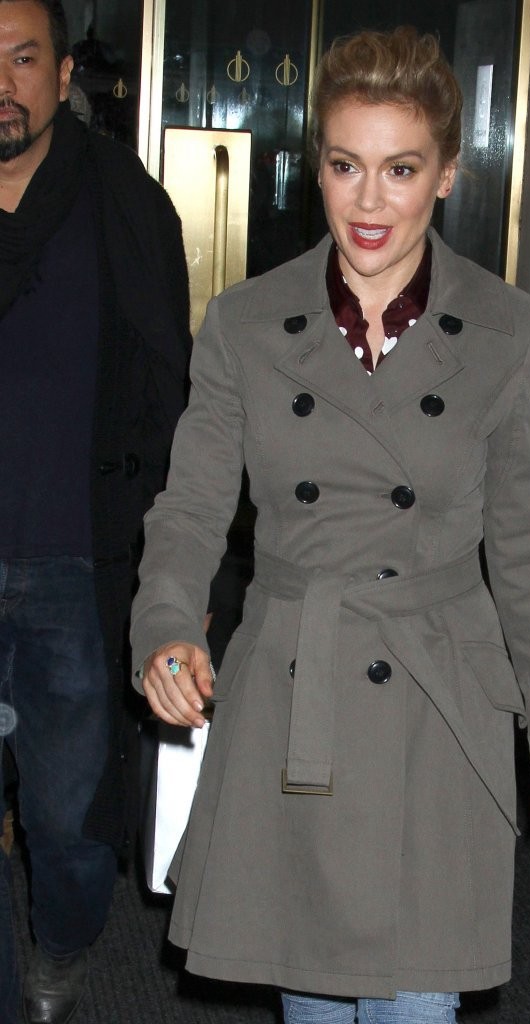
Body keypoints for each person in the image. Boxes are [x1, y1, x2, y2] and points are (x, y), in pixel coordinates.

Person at [131, 26, 530, 1024]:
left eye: (401, 170)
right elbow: (192, 505)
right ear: (318, 169)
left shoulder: (510, 331)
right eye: (346, 166)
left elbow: (528, 547)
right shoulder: (245, 324)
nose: (370, 202)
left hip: (440, 702)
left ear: (446, 176)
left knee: (418, 1000)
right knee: (311, 993)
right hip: (297, 691)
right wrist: (166, 624)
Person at [0, 2, 191, 1022]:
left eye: (23, 58)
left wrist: (177, 571)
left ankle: (64, 946)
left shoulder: (124, 204)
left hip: (75, 568)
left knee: (69, 819)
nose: (3, 84)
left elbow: (170, 394)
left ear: (64, 70)